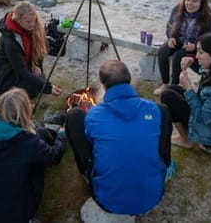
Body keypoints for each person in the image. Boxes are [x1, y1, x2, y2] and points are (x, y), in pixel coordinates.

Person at [65, 60, 172, 216]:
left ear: (103, 86)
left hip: (108, 200)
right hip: (152, 196)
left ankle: (86, 173)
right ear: (129, 81)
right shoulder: (155, 110)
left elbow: (90, 142)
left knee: (74, 116)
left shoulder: (94, 114)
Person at [0, 88, 67, 223]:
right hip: (16, 215)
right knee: (36, 161)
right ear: (24, 112)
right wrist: (61, 135)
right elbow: (54, 156)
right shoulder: (28, 142)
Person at [0, 1, 63, 98]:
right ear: (18, 20)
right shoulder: (10, 40)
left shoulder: (29, 29)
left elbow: (35, 52)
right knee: (33, 89)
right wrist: (48, 87)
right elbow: (21, 72)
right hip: (2, 76)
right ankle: (5, 92)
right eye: (28, 22)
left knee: (40, 79)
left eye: (34, 21)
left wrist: (35, 65)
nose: (32, 24)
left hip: (17, 69)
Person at [154, 0, 211, 96]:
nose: (189, 3)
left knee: (178, 56)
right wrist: (171, 37)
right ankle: (165, 84)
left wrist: (196, 46)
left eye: (194, 1)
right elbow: (169, 26)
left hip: (195, 47)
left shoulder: (207, 17)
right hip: (179, 41)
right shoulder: (178, 9)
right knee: (163, 51)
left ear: (201, 3)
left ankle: (173, 87)